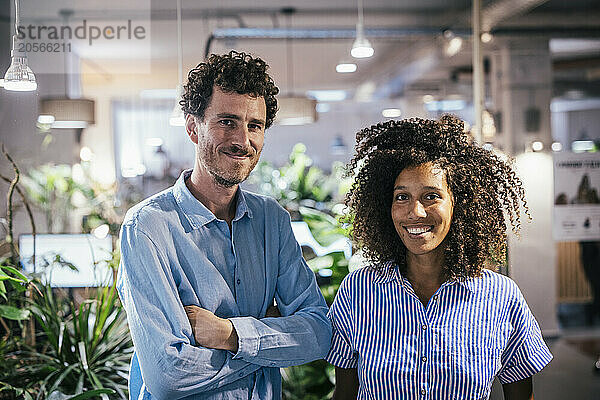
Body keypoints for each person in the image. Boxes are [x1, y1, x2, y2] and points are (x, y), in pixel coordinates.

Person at [117, 51, 331, 400]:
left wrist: (230, 335)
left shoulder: (271, 221)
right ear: (193, 127)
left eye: (254, 126)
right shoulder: (147, 228)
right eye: (227, 122)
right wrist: (269, 343)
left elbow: (319, 333)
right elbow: (169, 376)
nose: (243, 141)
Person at [327, 116, 553, 400]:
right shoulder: (358, 291)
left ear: (461, 203)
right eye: (401, 197)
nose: (415, 212)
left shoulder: (501, 297)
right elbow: (345, 393)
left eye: (431, 196)